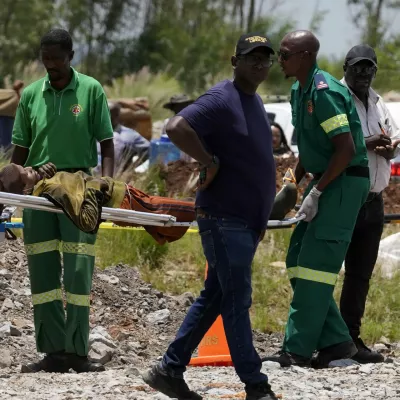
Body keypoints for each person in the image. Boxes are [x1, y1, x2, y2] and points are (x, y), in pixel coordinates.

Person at [142, 33, 278, 400]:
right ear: (235, 62)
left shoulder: (254, 101)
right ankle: (255, 384)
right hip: (223, 217)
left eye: (266, 58)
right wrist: (207, 160)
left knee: (216, 297)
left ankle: (169, 370)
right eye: (252, 58)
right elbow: (175, 127)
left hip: (245, 222)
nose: (260, 64)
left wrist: (261, 217)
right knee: (237, 299)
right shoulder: (222, 98)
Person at [264, 30, 370, 369]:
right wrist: (294, 180)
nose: (279, 60)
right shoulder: (299, 89)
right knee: (297, 258)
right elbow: (312, 146)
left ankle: (296, 349)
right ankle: (337, 343)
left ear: (306, 56)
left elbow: (346, 149)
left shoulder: (324, 91)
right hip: (326, 179)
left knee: (315, 267)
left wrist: (319, 191)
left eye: (285, 54)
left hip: (343, 182)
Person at [11, 28, 115, 374]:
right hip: (39, 189)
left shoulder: (90, 89)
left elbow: (106, 142)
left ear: (71, 56)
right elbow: (21, 151)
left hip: (80, 186)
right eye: (46, 58)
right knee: (41, 270)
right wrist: (15, 183)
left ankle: (77, 351)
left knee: (78, 270)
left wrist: (106, 183)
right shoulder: (29, 95)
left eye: (57, 58)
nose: (50, 64)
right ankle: (52, 350)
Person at [339, 45, 400, 363]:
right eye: (358, 68)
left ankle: (351, 339)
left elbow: (392, 137)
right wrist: (367, 143)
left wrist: (389, 147)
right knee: (324, 272)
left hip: (373, 200)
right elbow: (331, 146)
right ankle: (324, 339)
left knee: (360, 275)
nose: (363, 74)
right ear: (345, 67)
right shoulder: (335, 97)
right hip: (344, 199)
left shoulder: (378, 103)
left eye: (369, 68)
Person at [96, 101, 150, 174]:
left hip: (116, 177)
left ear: (117, 116)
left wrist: (131, 167)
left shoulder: (130, 136)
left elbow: (149, 151)